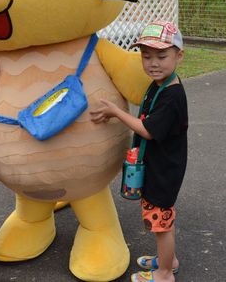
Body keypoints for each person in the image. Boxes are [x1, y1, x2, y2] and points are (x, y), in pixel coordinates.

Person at [90, 21, 188, 282]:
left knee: (161, 223)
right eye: (146, 56)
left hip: (163, 171)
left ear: (179, 55)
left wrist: (115, 112)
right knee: (161, 220)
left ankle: (165, 273)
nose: (153, 63)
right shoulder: (160, 84)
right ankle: (169, 259)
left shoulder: (171, 96)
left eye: (161, 56)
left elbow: (147, 130)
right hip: (160, 165)